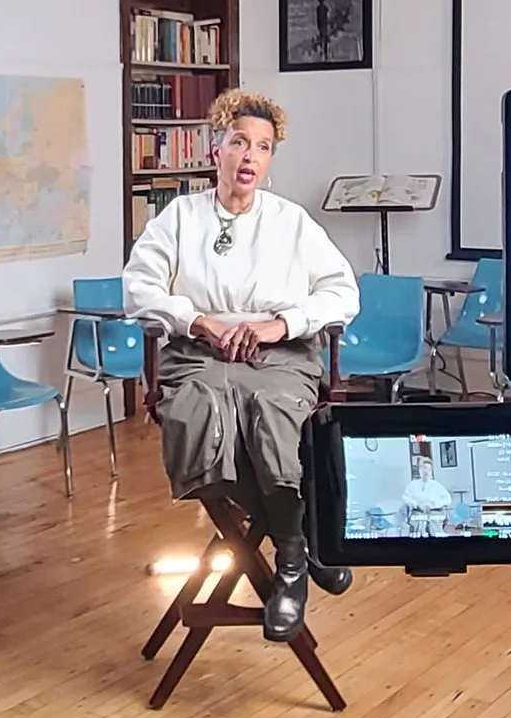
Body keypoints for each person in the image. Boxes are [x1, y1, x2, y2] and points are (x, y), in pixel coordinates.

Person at [124, 89, 359, 641]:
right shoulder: (179, 217)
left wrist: (281, 324)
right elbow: (138, 289)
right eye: (238, 143)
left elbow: (342, 292)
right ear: (216, 150)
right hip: (198, 351)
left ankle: (294, 561)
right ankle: (300, 550)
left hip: (277, 352)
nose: (250, 156)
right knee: (197, 418)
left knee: (270, 414)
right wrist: (201, 322)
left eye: (263, 147)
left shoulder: (292, 222)